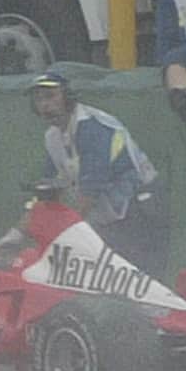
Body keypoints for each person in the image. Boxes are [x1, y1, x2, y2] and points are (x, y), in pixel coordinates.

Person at [27, 69, 168, 274]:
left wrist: (59, 234)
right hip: (109, 211)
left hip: (140, 206)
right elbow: (48, 191)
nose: (45, 105)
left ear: (67, 97)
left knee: (137, 276)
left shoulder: (91, 127)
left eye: (50, 96)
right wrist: (22, 231)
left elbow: (89, 192)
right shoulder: (53, 137)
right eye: (38, 99)